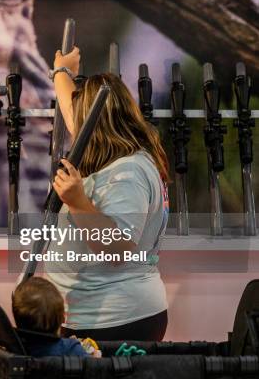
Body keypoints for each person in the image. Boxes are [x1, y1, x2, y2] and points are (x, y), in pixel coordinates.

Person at [46, 46, 170, 341]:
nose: (73, 124)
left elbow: (119, 250)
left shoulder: (129, 173)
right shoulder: (114, 156)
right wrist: (62, 72)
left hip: (115, 321)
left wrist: (78, 203)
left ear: (96, 122)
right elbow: (76, 118)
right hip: (91, 316)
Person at [12, 277, 88, 357]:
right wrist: (94, 358)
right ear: (62, 319)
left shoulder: (16, 348)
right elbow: (93, 367)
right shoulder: (72, 349)